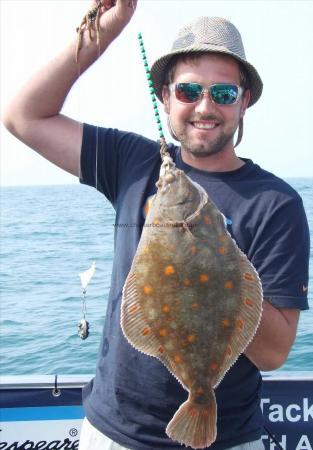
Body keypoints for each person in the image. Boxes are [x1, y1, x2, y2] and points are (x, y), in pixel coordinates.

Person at [2, 1, 310, 449]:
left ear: (244, 102)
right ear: (164, 96)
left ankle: (198, 398)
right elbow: (22, 116)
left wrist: (223, 266)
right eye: (188, 91)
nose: (205, 106)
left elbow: (274, 353)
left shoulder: (276, 203)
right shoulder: (134, 163)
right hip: (112, 432)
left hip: (227, 438)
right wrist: (104, 30)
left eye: (223, 94)